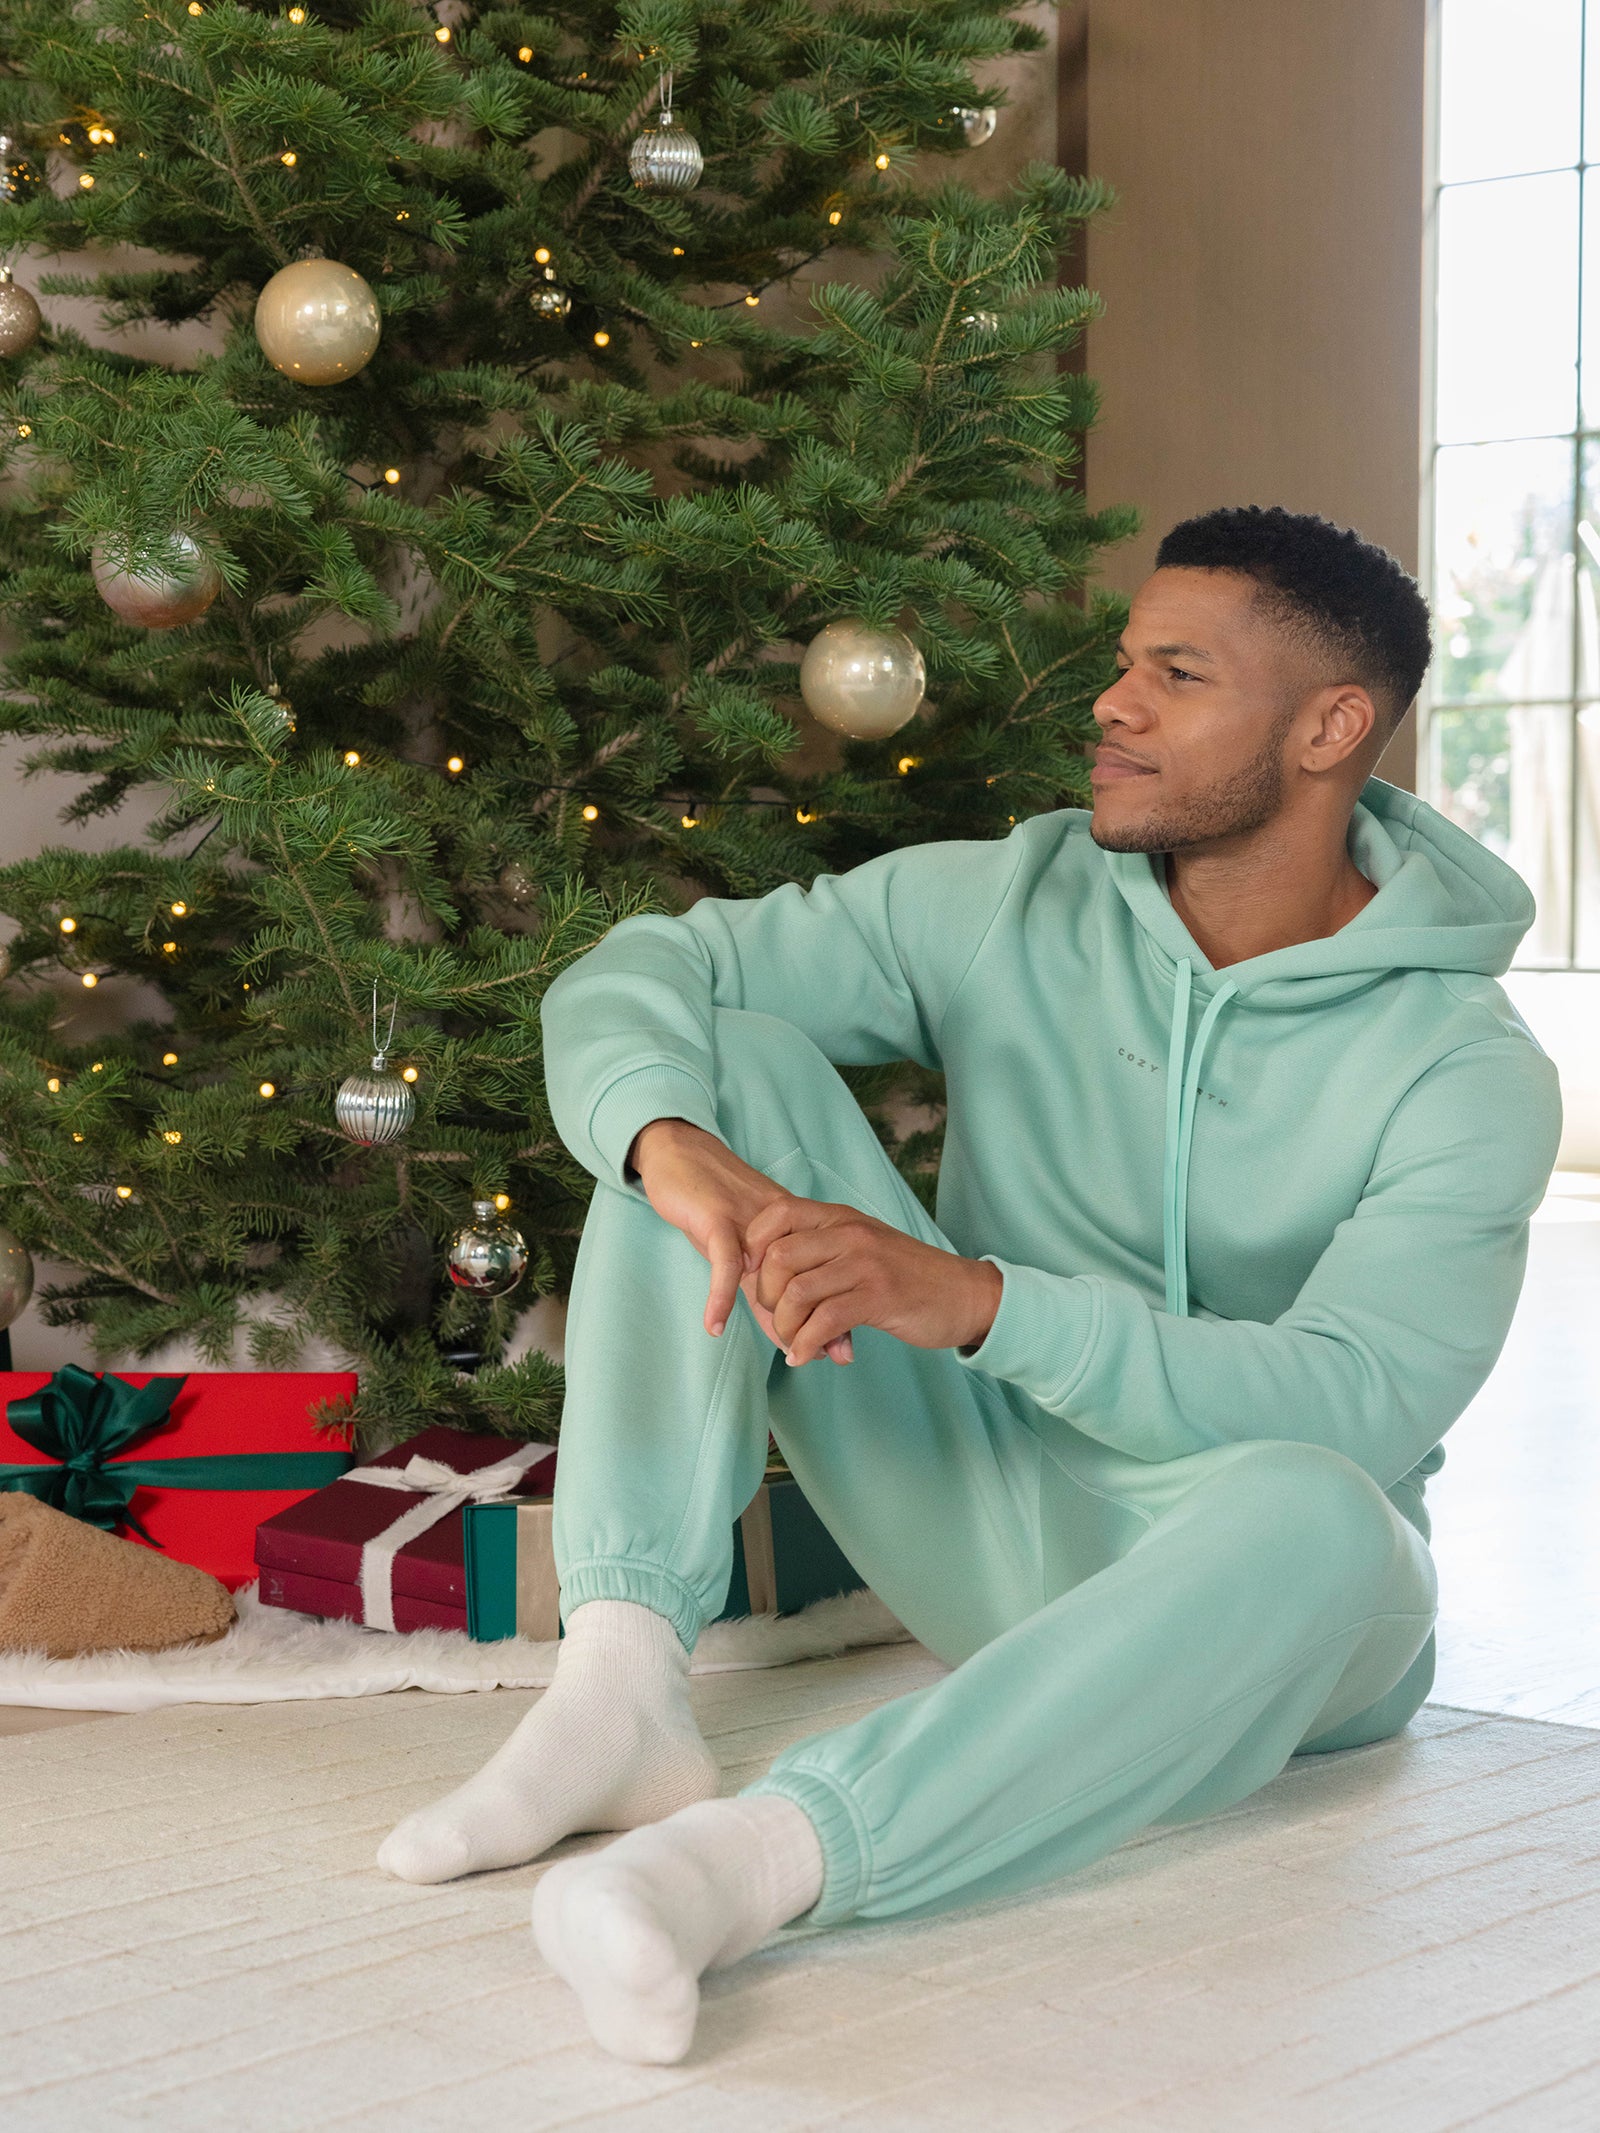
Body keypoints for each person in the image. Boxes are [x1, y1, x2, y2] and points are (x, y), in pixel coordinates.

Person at [378, 505, 1561, 2065]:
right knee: (715, 1062)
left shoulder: (1465, 1068)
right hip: (979, 1499)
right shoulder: (1019, 897)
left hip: (1259, 1596)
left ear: (1331, 727)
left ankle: (744, 1868)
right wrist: (665, 1139)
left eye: (1178, 675)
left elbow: (1361, 1396)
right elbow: (651, 966)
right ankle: (619, 1684)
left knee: (1329, 1512)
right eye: (1122, 662)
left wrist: (988, 1302)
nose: (1111, 704)